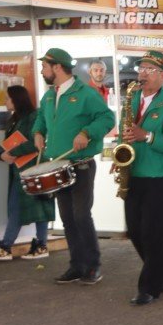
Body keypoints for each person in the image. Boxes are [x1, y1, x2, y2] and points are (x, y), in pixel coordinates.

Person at [32, 48, 115, 285]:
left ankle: (93, 266)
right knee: (67, 218)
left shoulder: (86, 93)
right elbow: (41, 119)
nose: (42, 70)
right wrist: (37, 132)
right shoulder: (49, 96)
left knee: (80, 215)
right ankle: (76, 265)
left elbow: (107, 118)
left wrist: (86, 132)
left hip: (81, 165)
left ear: (56, 67)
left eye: (45, 66)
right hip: (58, 164)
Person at [119, 51, 163, 306]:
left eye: (148, 69)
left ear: (161, 75)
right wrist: (119, 158)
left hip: (158, 175)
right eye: (141, 69)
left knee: (153, 233)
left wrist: (146, 136)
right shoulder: (132, 99)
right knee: (135, 230)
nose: (142, 74)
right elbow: (124, 132)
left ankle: (149, 287)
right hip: (133, 171)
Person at [0, 86, 55, 261]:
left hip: (34, 169)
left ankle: (9, 246)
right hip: (20, 170)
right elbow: (7, 144)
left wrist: (10, 153)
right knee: (24, 207)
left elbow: (35, 142)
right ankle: (37, 245)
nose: (5, 102)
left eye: (8, 98)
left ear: (17, 99)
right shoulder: (14, 119)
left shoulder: (33, 117)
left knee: (36, 207)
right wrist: (2, 154)